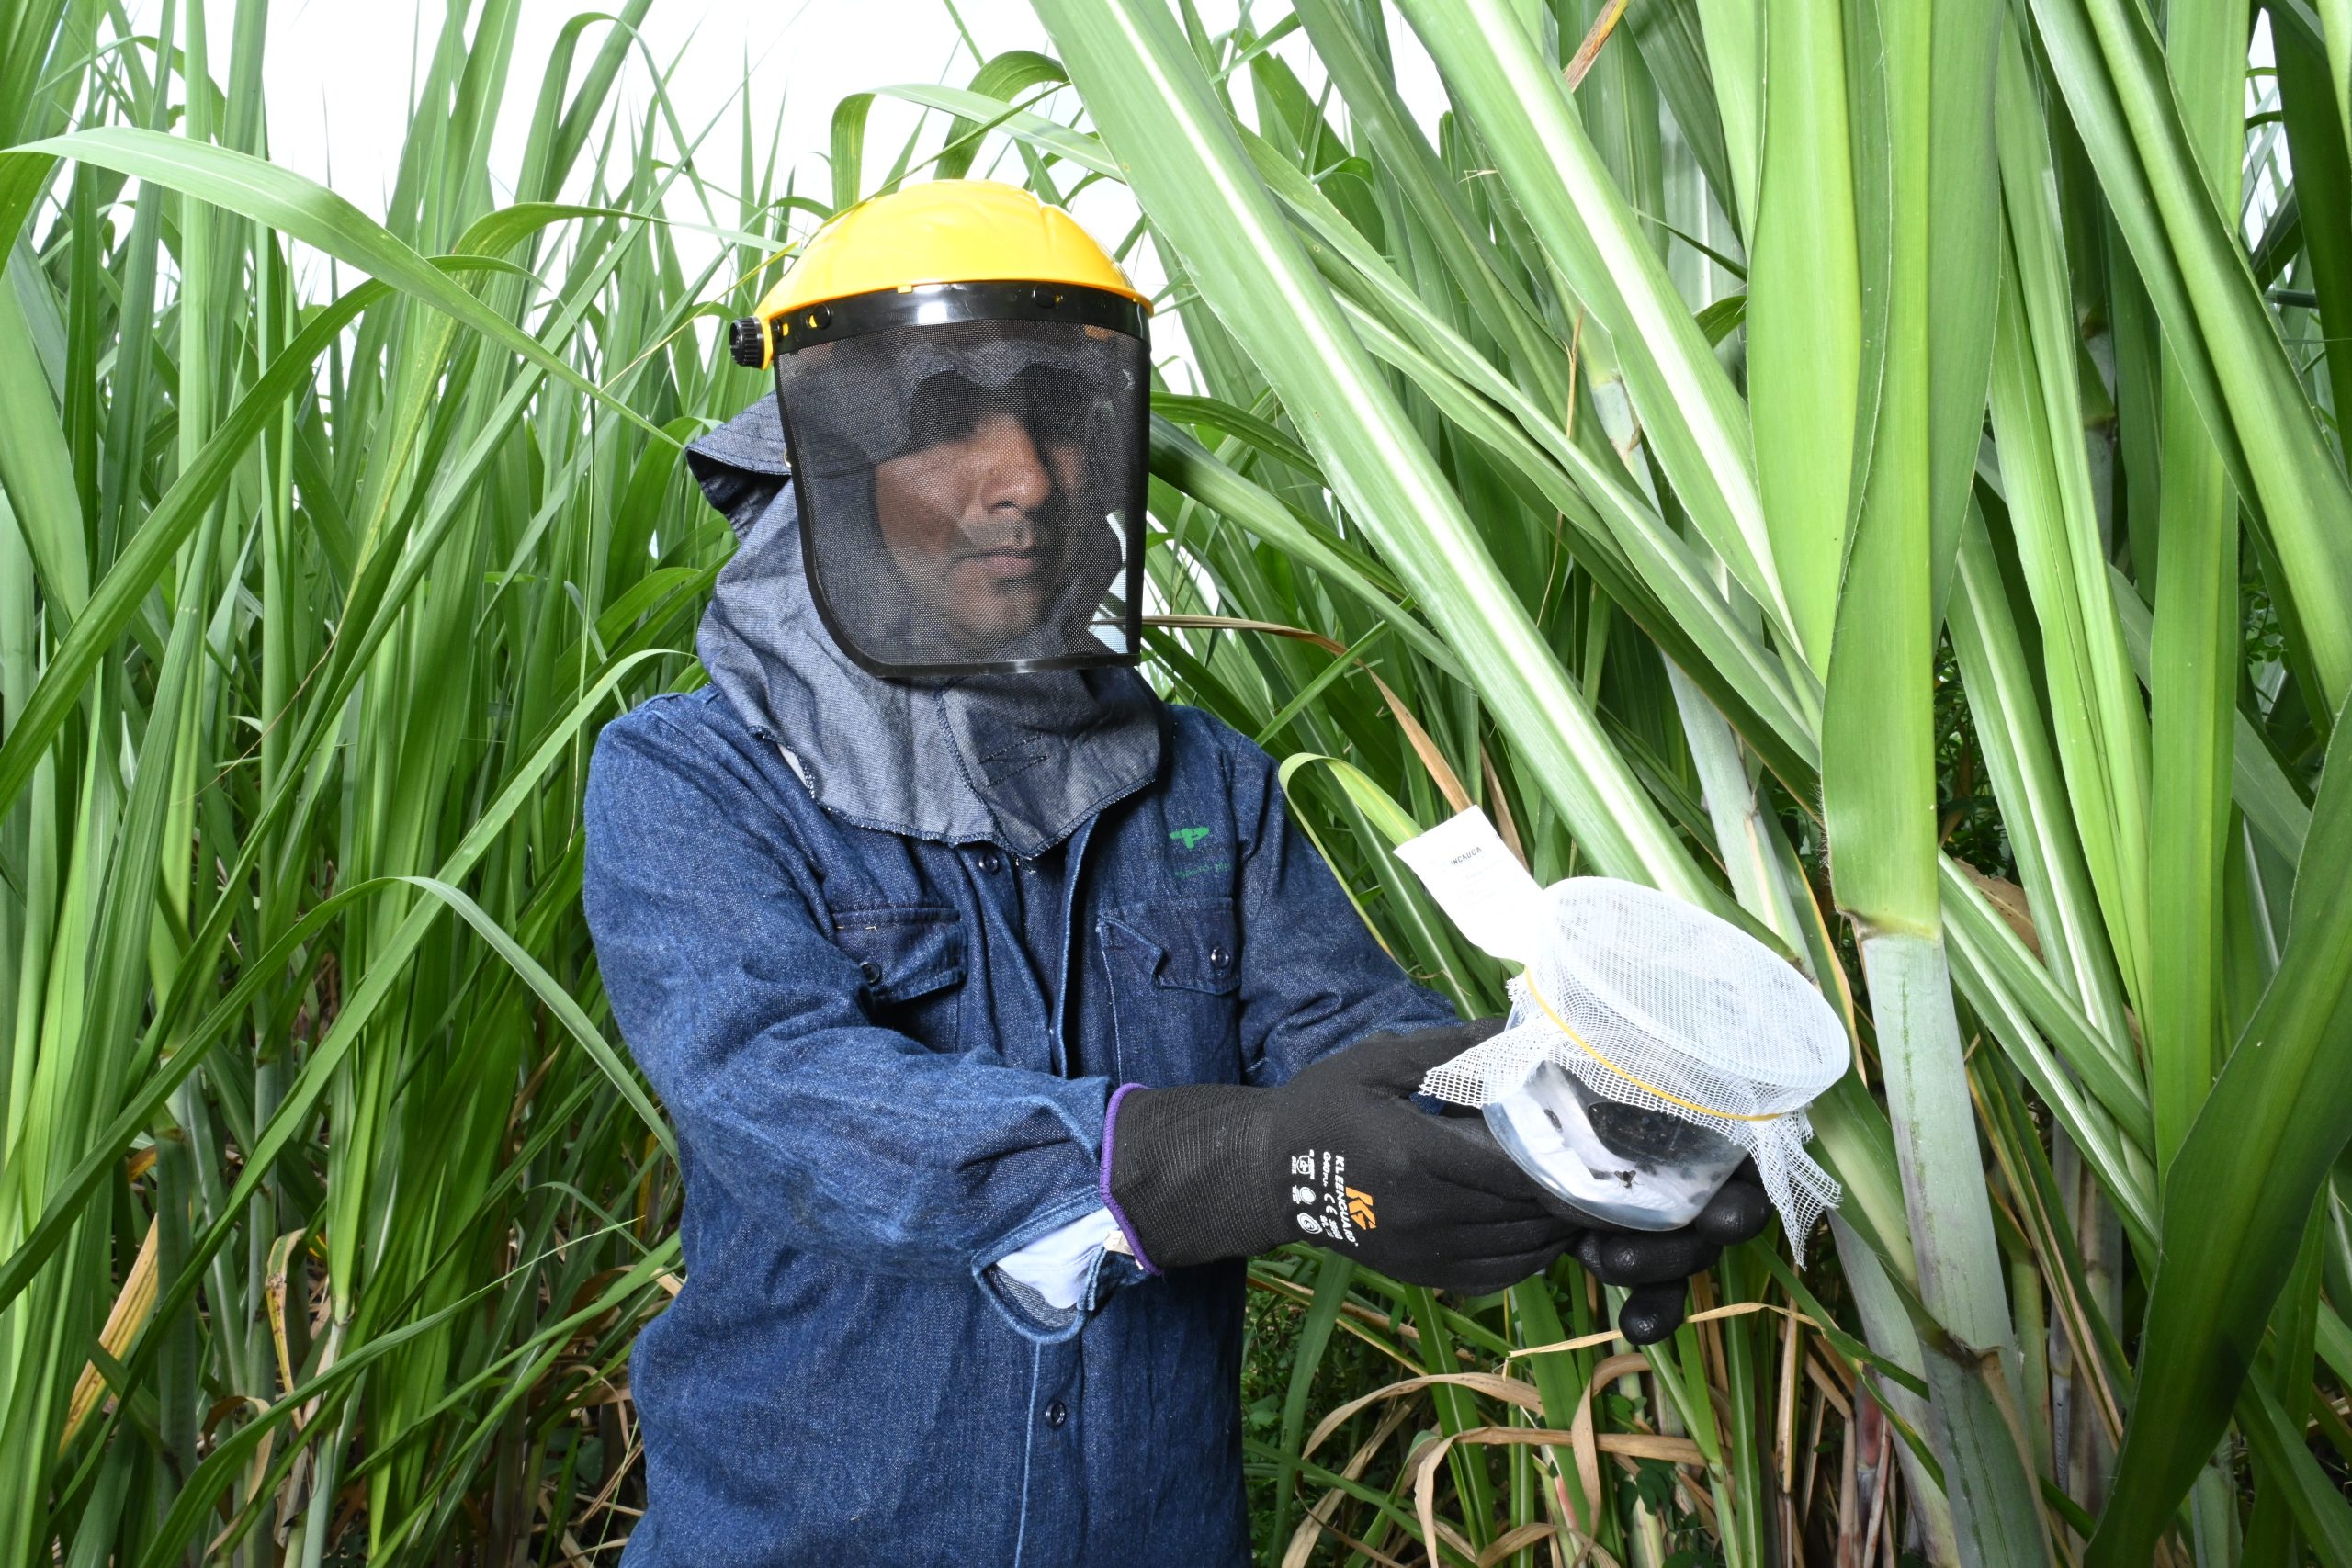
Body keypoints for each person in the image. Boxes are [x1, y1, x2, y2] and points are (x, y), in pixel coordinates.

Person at [580, 179, 1768, 1567]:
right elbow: (789, 1099)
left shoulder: (1204, 787)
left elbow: (1349, 1044)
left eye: (1059, 414)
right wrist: (1229, 1162)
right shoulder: (690, 779)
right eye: (945, 415)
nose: (1021, 471)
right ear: (820, 456)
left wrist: (1570, 1140)